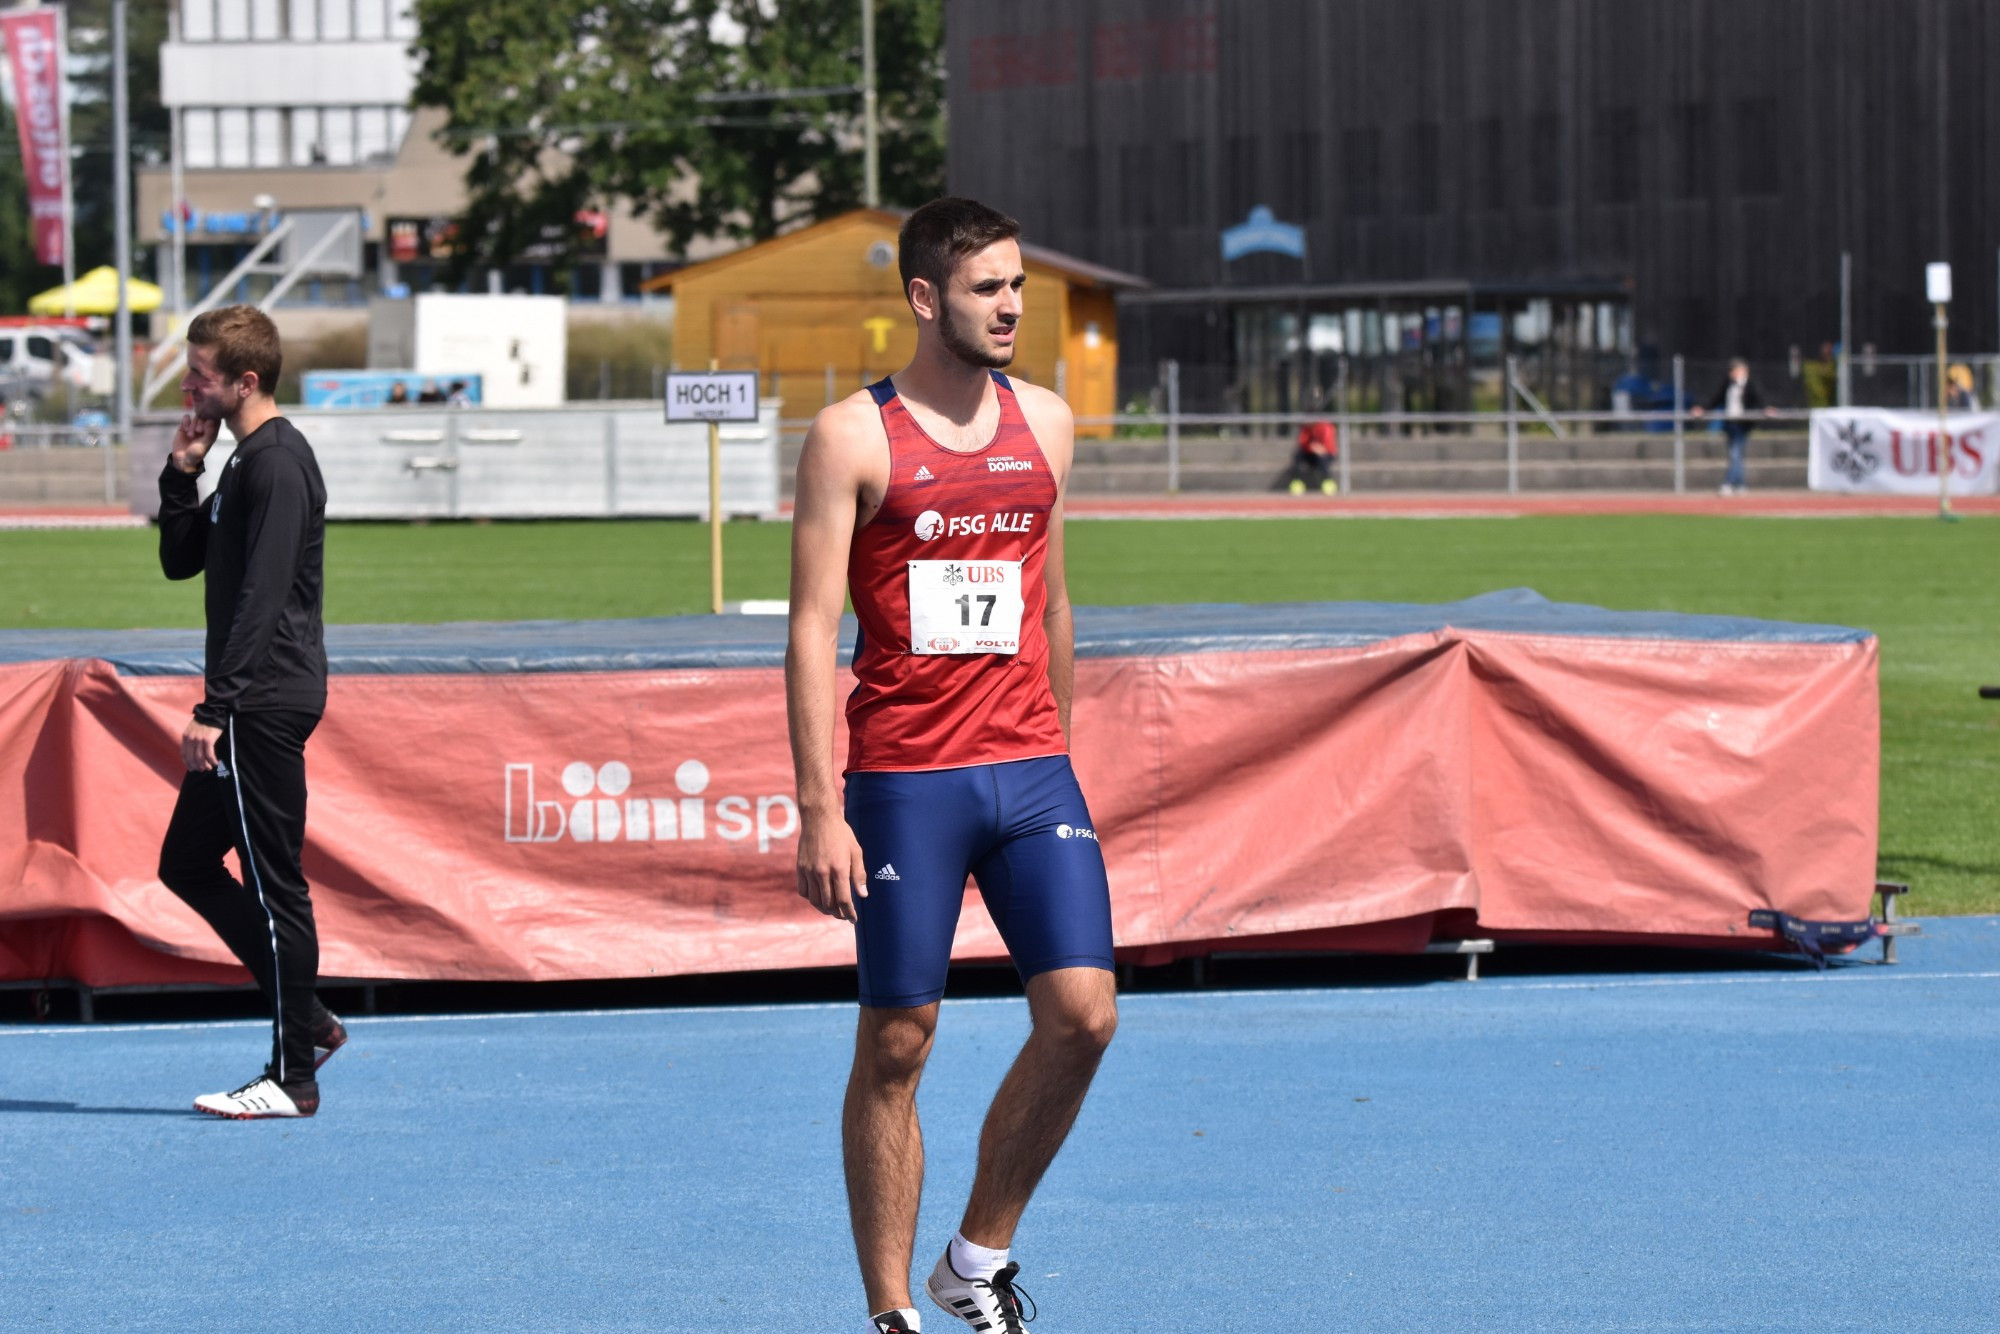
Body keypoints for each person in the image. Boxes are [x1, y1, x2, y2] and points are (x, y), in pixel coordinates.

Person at [786, 197, 1118, 1334]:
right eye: (988, 288)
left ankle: (975, 1256)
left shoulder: (1049, 423)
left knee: (1084, 1016)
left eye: (1017, 285)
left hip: (1029, 770)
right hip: (905, 780)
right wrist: (818, 808)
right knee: (898, 1040)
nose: (1012, 305)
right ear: (925, 298)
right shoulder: (851, 436)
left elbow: (1053, 599)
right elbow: (809, 628)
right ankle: (891, 1309)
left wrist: (1056, 743)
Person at [156, 305, 341, 1120]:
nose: (188, 386)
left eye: (200, 374)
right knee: (187, 862)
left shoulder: (278, 464)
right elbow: (181, 561)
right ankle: (308, 1021)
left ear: (246, 380)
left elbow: (262, 598)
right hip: (248, 697)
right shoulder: (239, 461)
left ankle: (293, 1076)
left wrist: (216, 707)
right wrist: (182, 473)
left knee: (275, 887)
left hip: (262, 700)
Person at [1691, 357, 1777, 496]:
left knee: (1735, 453)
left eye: (1735, 370)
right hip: (1730, 423)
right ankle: (1741, 484)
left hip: (1743, 424)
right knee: (1736, 455)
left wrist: (1767, 407)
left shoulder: (1751, 383)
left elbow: (1760, 397)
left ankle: (1728, 483)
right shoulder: (1728, 383)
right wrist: (1703, 408)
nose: (1732, 373)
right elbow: (1716, 397)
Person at [1285, 417, 1339, 495]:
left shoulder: (1325, 426)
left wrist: (1321, 449)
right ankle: (1297, 483)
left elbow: (1329, 445)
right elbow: (1303, 443)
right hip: (1310, 453)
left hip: (1326, 454)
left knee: (1322, 459)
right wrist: (1312, 447)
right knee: (1298, 456)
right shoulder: (1305, 429)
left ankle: (1327, 482)